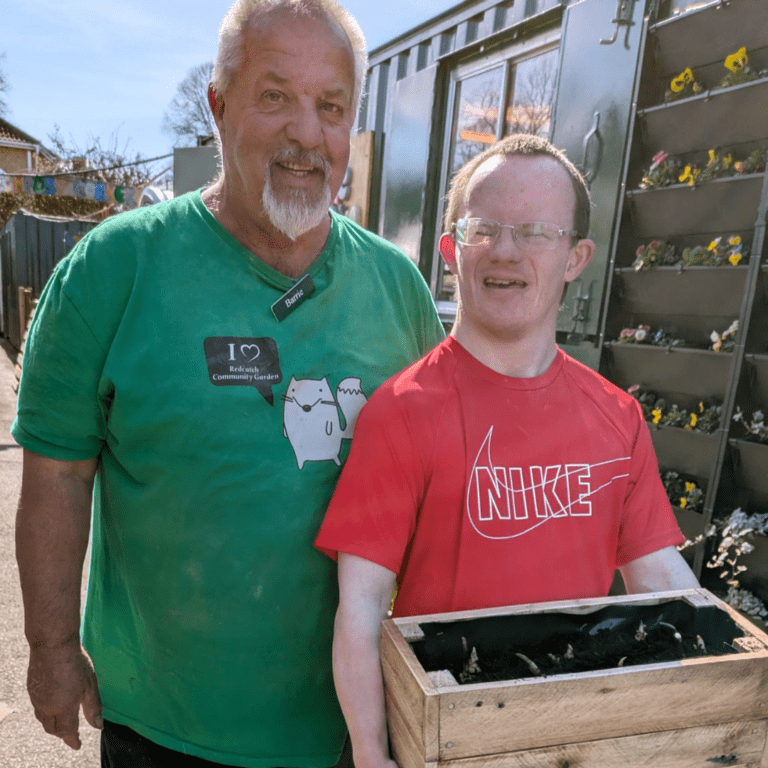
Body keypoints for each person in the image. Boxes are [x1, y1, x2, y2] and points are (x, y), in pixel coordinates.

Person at [12, 1, 444, 766]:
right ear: (218, 107)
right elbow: (58, 474)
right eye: (275, 96)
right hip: (166, 728)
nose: (306, 133)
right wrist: (51, 649)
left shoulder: (398, 288)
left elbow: (441, 482)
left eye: (331, 106)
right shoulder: (113, 268)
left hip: (354, 728)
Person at [314, 133, 700, 768]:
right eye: (482, 229)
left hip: (577, 743)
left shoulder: (617, 417)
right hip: (446, 743)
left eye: (537, 232)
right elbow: (359, 608)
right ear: (451, 250)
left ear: (576, 257)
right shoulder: (400, 412)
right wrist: (370, 752)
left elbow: (660, 582)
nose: (506, 250)